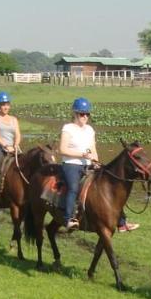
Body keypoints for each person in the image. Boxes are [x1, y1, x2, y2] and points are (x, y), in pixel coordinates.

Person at [58, 97, 98, 232]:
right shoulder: (68, 128)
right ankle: (68, 218)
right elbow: (62, 150)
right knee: (74, 188)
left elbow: (93, 149)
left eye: (87, 114)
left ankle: (121, 221)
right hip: (71, 164)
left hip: (88, 164)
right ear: (75, 114)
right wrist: (82, 155)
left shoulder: (90, 130)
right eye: (82, 114)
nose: (85, 117)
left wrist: (96, 162)